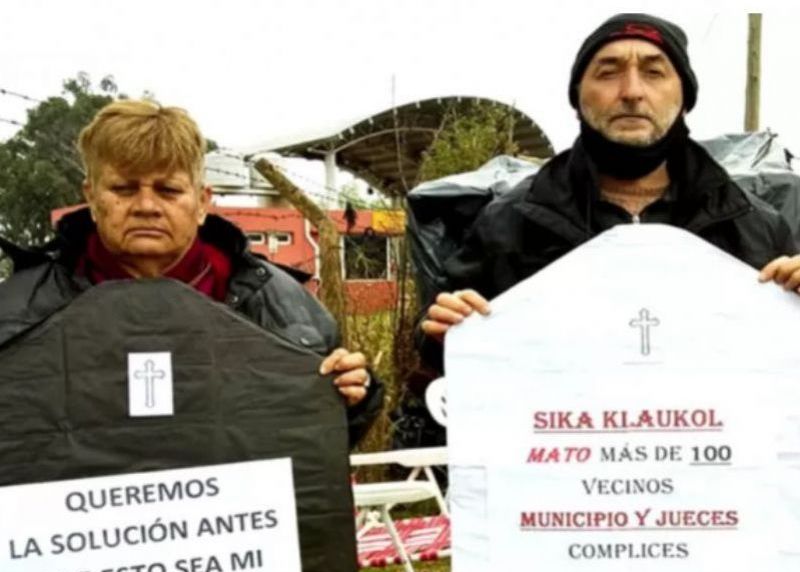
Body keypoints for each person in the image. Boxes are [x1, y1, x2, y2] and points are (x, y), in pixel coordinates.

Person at [418, 13, 800, 370]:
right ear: (577, 100)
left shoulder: (754, 227)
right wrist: (445, 335)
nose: (632, 91)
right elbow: (446, 371)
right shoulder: (509, 224)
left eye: (654, 73)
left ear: (684, 100)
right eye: (608, 73)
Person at [0, 99, 382, 443]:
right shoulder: (19, 309)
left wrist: (353, 399)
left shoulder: (281, 302)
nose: (146, 206)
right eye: (124, 188)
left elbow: (315, 450)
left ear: (201, 202)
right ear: (91, 198)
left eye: (168, 190)